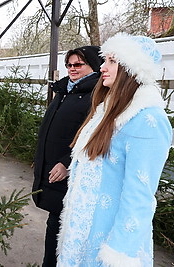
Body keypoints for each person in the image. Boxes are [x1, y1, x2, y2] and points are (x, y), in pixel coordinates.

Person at [56, 33, 172, 266]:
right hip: (80, 235)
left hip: (107, 245)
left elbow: (139, 196)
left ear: (131, 68)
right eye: (105, 60)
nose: (102, 67)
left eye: (111, 60)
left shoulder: (147, 118)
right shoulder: (105, 110)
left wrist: (118, 254)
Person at [32, 46, 103, 266]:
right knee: (54, 224)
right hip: (50, 168)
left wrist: (66, 163)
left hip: (68, 176)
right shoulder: (65, 91)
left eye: (78, 64)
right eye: (69, 64)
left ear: (93, 66)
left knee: (60, 225)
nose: (72, 69)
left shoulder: (95, 96)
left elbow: (91, 139)